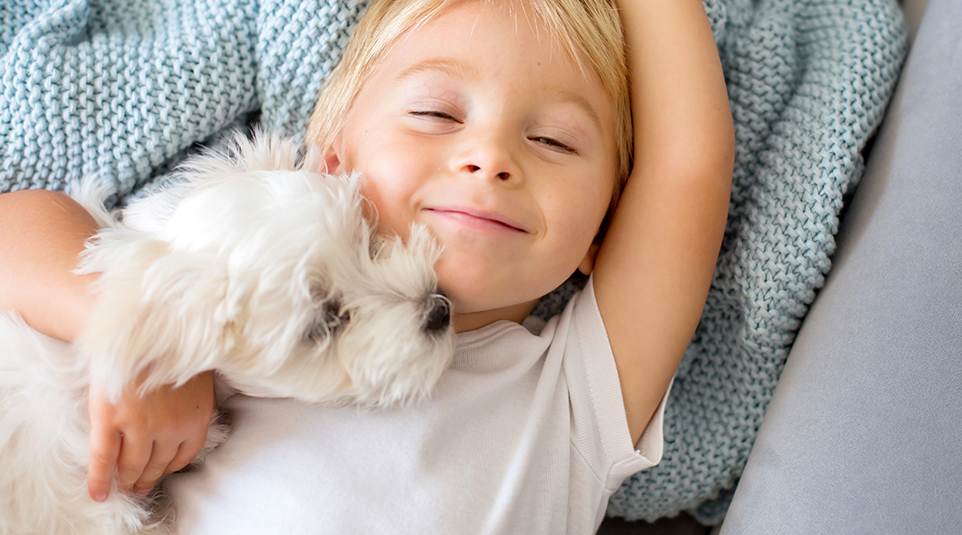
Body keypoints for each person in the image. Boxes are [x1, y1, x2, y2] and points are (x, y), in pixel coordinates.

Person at [0, 0, 733, 531]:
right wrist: (141, 340)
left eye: (553, 140)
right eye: (438, 114)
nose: (491, 158)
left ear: (606, 227)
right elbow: (19, 225)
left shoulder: (575, 393)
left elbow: (687, 166)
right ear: (333, 159)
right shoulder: (268, 264)